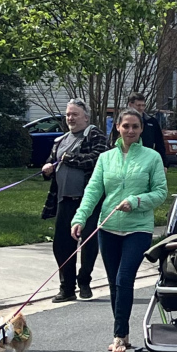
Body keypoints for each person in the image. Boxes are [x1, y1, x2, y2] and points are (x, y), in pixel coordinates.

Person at [73, 106, 169, 352]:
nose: (130, 130)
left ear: (141, 129)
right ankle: (123, 333)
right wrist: (80, 218)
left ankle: (118, 335)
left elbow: (160, 192)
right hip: (108, 228)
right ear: (117, 128)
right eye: (126, 126)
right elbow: (93, 191)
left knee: (125, 279)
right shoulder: (105, 158)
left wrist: (136, 201)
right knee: (114, 283)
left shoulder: (152, 157)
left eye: (135, 126)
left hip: (138, 228)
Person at [41, 100, 108, 302]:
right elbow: (52, 161)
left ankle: (84, 280)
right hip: (64, 199)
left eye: (75, 114)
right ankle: (67, 288)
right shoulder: (60, 140)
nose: (70, 118)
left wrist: (70, 158)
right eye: (68, 114)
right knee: (61, 245)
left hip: (89, 200)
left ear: (86, 117)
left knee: (88, 241)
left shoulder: (94, 135)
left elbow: (97, 158)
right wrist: (47, 168)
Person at [125, 91, 175, 167]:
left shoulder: (152, 122)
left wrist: (164, 164)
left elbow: (160, 144)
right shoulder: (123, 122)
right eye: (138, 105)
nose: (141, 108)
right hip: (127, 160)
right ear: (130, 105)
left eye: (143, 105)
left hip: (147, 161)